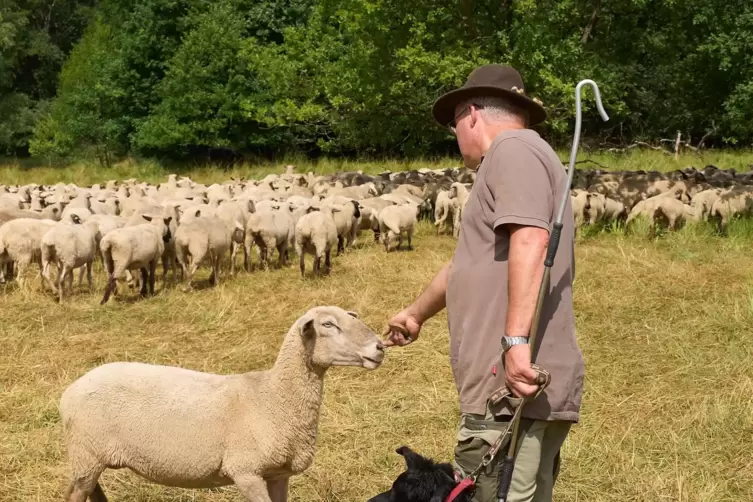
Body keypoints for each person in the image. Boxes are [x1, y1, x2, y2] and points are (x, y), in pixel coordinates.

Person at [383, 64, 584, 502]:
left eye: (453, 123)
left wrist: (514, 342)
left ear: (471, 113)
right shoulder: (516, 158)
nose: (454, 136)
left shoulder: (513, 151)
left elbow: (531, 238)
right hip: (506, 389)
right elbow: (465, 265)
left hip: (510, 391)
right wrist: (416, 314)